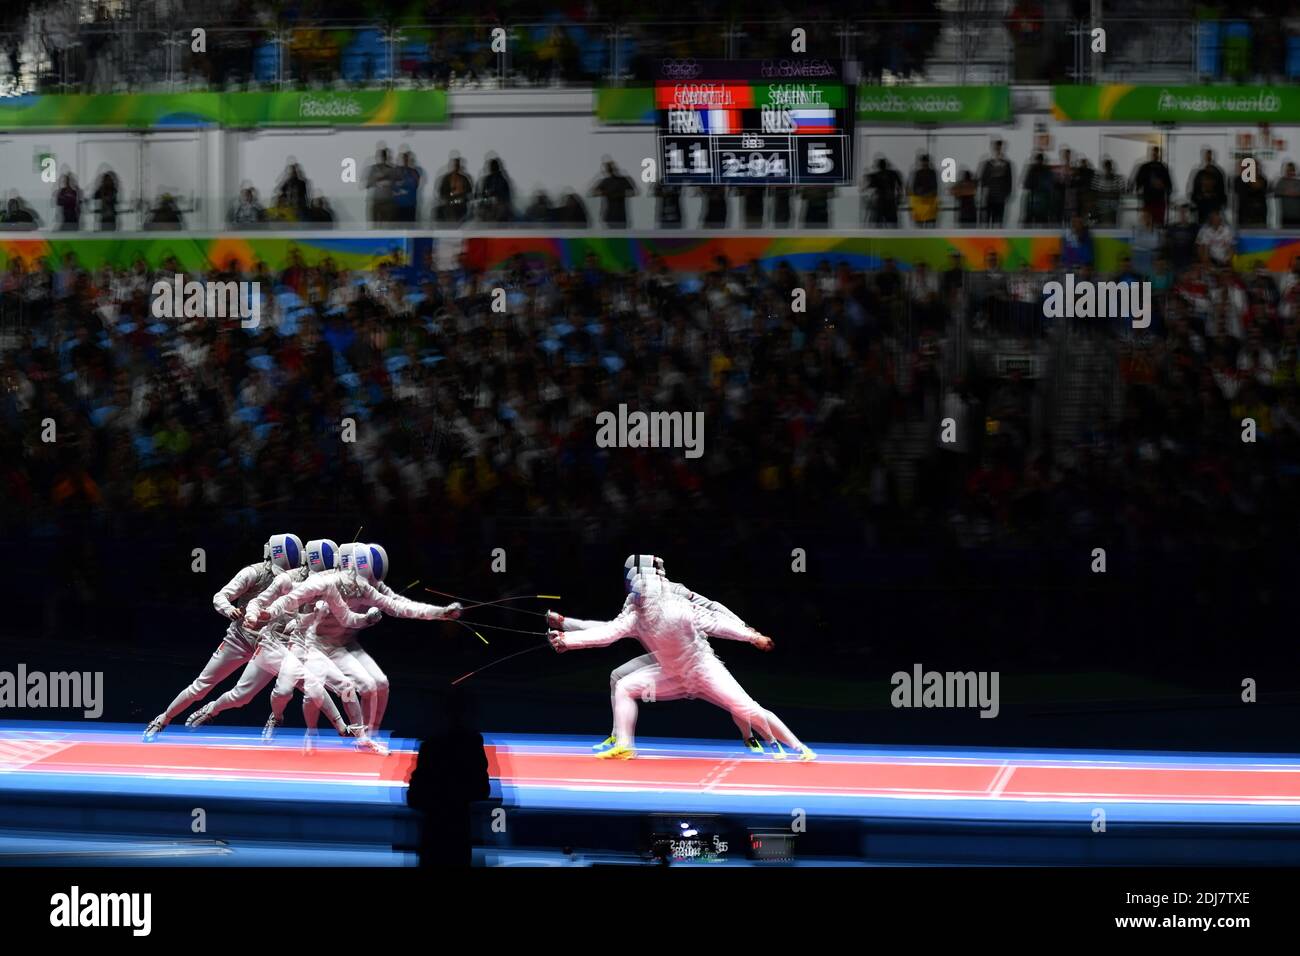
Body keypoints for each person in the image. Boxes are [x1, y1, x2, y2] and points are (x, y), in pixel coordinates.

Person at [548, 570, 816, 762]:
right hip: (671, 674)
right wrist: (567, 640)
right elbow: (606, 634)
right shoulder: (635, 616)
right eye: (635, 597)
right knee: (625, 686)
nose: (638, 602)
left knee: (747, 708)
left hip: (704, 670)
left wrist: (752, 636)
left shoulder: (679, 609)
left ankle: (798, 747)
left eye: (641, 597)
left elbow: (717, 623)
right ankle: (625, 746)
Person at [256, 542, 462, 736]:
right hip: (311, 644)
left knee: (375, 684)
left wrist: (441, 612)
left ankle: (366, 735)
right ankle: (286, 718)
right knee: (295, 691)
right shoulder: (325, 582)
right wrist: (273, 612)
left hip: (341, 646)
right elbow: (293, 599)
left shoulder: (369, 587)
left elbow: (401, 606)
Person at [143, 534, 300, 740]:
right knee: (200, 686)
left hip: (270, 644)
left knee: (254, 695)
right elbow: (221, 596)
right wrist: (229, 610)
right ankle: (163, 719)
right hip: (240, 638)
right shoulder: (254, 573)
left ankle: (271, 717)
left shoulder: (297, 579)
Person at [590, 160, 637, 228]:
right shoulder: (606, 181)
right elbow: (593, 193)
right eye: (609, 168)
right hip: (609, 215)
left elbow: (634, 192)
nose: (611, 170)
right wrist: (605, 193)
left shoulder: (623, 180)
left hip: (620, 216)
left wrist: (619, 194)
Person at [1132, 145, 1172, 226]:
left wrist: (1162, 186)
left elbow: (1169, 186)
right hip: (1148, 201)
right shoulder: (1145, 167)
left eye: (1157, 153)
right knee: (1147, 225)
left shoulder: (1163, 168)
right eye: (1153, 152)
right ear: (1150, 154)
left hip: (1159, 201)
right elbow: (1137, 183)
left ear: (1159, 154)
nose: (1155, 154)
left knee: (1159, 225)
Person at [977, 139, 1013, 226]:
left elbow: (1009, 181)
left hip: (1000, 197)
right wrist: (982, 194)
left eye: (999, 147)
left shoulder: (1006, 164)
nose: (998, 149)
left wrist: (1007, 193)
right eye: (996, 147)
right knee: (988, 220)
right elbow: (983, 180)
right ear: (993, 148)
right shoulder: (988, 163)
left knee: (999, 221)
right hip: (990, 196)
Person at [1187, 149, 1228, 225]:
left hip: (1214, 205)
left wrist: (1220, 201)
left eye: (1210, 155)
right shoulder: (1199, 173)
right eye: (1207, 155)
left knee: (1214, 225)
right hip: (1202, 205)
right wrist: (1198, 198)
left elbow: (1222, 190)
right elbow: (1194, 190)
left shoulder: (1218, 172)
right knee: (1202, 226)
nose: (1208, 157)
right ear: (1204, 157)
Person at [865, 158, 903, 226]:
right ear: (886, 165)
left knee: (878, 224)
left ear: (878, 166)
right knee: (893, 225)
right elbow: (900, 187)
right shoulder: (893, 173)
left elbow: (869, 188)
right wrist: (899, 199)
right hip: (891, 201)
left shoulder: (876, 175)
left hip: (881, 203)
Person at [435, 155, 473, 223]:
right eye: (455, 164)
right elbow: (441, 192)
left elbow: (469, 191)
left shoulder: (464, 178)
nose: (456, 166)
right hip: (450, 206)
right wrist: (451, 193)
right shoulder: (446, 178)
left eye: (457, 165)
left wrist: (462, 193)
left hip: (462, 206)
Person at [366, 147, 397, 225]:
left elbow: (395, 183)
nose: (381, 159)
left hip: (388, 202)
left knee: (388, 226)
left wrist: (387, 181)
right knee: (375, 225)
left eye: (383, 156)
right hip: (376, 201)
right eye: (379, 156)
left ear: (386, 158)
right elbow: (368, 184)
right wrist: (377, 181)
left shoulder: (392, 169)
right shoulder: (373, 169)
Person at [908, 154, 938, 227]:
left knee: (928, 223)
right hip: (921, 203)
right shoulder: (919, 173)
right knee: (921, 225)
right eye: (923, 162)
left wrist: (926, 193)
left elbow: (935, 188)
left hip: (928, 203)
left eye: (925, 162)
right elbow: (914, 188)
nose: (924, 164)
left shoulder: (931, 173)